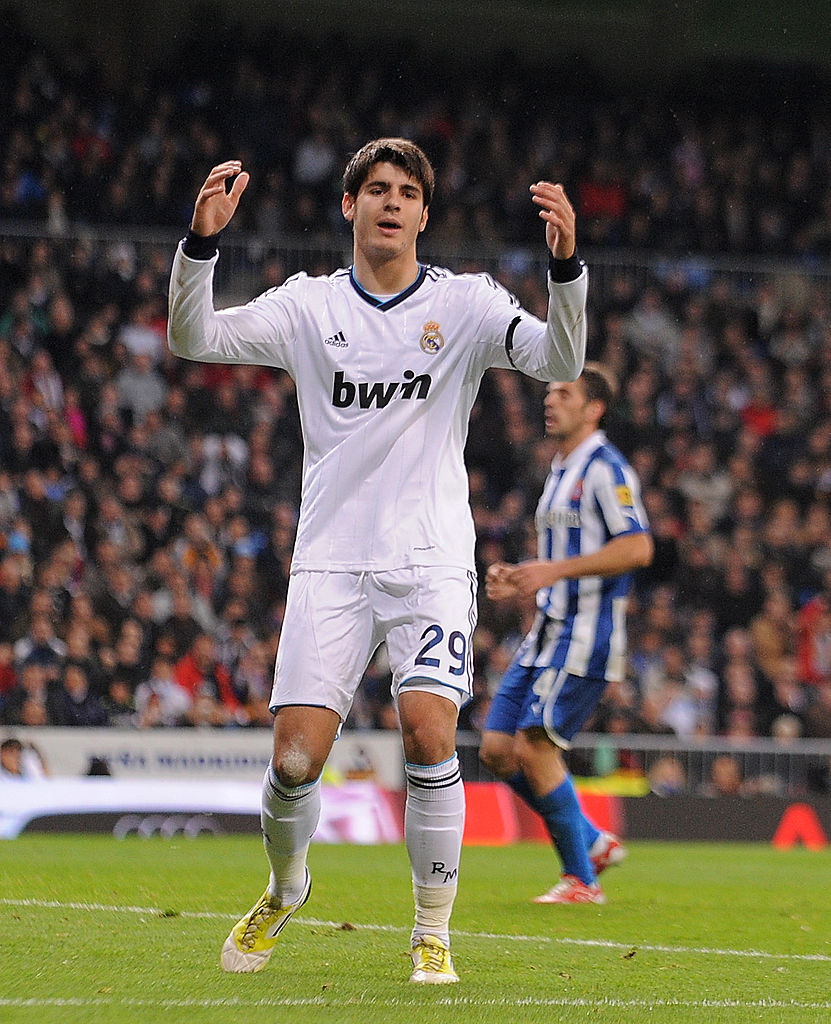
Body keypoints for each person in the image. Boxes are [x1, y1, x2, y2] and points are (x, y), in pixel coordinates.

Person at [168, 138, 587, 982]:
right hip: (330, 560)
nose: (391, 202)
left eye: (406, 192)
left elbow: (559, 360)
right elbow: (194, 337)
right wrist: (200, 244)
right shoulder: (308, 306)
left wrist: (565, 269)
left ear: (424, 215)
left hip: (430, 559)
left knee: (430, 734)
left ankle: (431, 930)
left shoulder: (465, 304)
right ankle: (286, 886)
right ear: (349, 206)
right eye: (376, 189)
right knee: (294, 762)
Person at [479, 363, 653, 904]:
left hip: (585, 632)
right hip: (546, 631)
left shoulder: (606, 468)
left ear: (594, 408)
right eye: (549, 392)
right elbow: (562, 556)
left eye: (564, 394)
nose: (549, 401)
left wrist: (552, 572)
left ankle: (582, 879)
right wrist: (520, 576)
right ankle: (592, 840)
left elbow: (638, 547)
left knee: (535, 747)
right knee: (496, 750)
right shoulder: (559, 468)